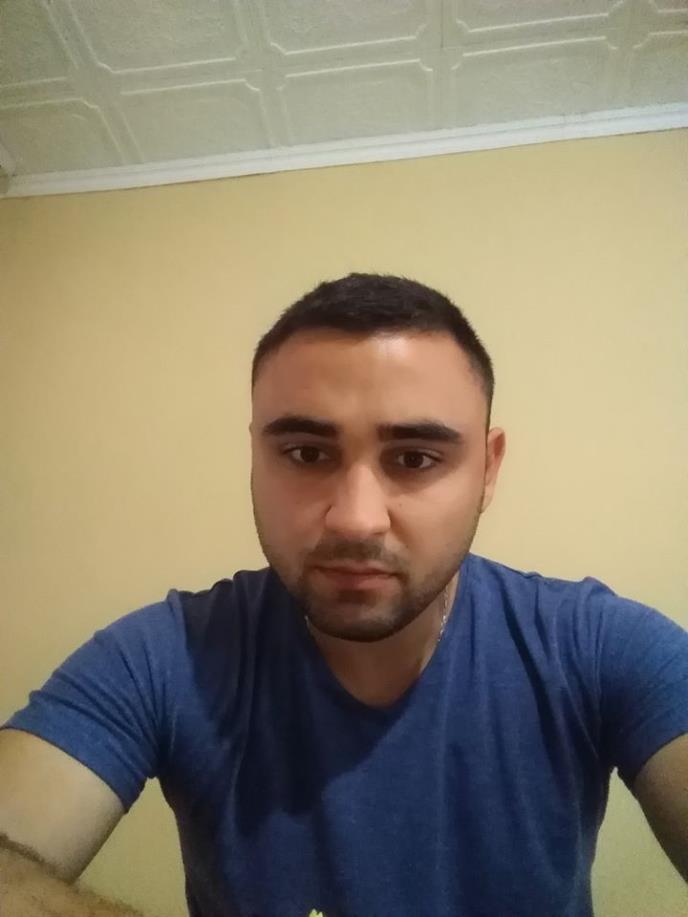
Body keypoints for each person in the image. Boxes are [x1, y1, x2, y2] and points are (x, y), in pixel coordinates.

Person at [1, 273, 687, 917]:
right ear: (256, 455)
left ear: (488, 468)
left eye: (414, 458)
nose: (357, 519)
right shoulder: (162, 656)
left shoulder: (599, 647)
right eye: (306, 453)